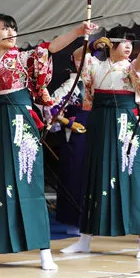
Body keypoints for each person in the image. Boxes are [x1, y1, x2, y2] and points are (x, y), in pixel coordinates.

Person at [0, 14, 96, 271]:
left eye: (13, 28)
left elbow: (51, 46)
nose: (11, 32)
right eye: (5, 29)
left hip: (19, 122)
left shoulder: (24, 57)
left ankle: (44, 252)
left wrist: (78, 31)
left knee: (27, 180)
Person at [60, 26, 140, 260]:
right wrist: (93, 45)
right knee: (96, 174)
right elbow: (76, 57)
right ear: (109, 44)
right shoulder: (96, 65)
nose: (128, 47)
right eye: (123, 42)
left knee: (131, 174)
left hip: (125, 122)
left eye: (131, 44)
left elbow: (139, 66)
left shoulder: (130, 67)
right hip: (100, 121)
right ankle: (85, 238)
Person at [49, 57, 88, 236]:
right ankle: (73, 221)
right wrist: (67, 122)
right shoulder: (71, 84)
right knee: (75, 174)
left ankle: (90, 219)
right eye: (81, 59)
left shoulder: (94, 79)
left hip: (93, 129)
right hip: (75, 133)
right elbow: (50, 107)